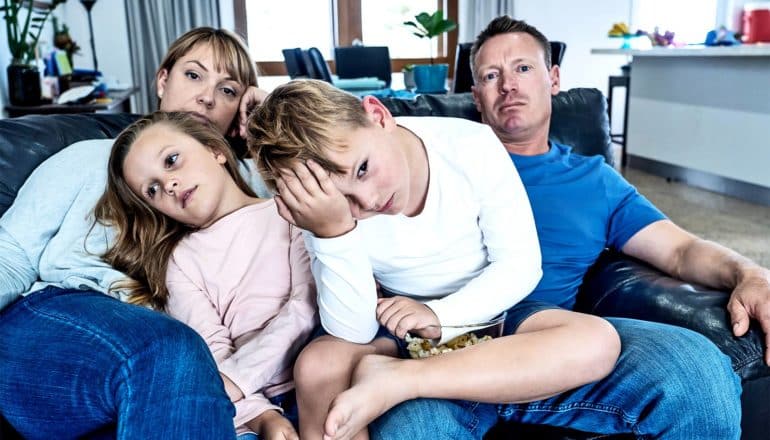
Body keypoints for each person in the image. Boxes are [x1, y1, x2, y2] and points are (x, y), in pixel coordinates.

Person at [364, 16, 750, 440]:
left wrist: (747, 273)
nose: (508, 85)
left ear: (554, 79)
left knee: (696, 372)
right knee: (411, 430)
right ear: (475, 95)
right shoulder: (429, 163)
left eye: (523, 68)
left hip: (551, 346)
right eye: (491, 76)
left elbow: (680, 251)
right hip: (438, 354)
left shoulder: (593, 179)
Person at [248, 79, 623, 440]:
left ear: (378, 116)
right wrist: (333, 232)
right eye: (344, 203)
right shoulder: (323, 212)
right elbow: (355, 329)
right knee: (317, 366)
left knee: (597, 340)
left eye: (363, 169)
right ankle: (399, 370)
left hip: (490, 306)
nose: (368, 201)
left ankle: (402, 378)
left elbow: (520, 265)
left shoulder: (469, 144)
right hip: (395, 319)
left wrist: (441, 317)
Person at [0, 28, 268, 438]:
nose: (208, 98)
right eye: (193, 76)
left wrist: (272, 120)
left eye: (228, 90)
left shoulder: (255, 181)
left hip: (176, 368)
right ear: (163, 80)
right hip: (60, 316)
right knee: (168, 349)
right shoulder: (88, 157)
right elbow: (11, 255)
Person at [93, 111, 317, 439]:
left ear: (215, 150)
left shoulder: (289, 211)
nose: (168, 184)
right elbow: (210, 349)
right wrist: (261, 415)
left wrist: (238, 379)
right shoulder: (180, 261)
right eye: (152, 190)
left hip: (321, 378)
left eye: (172, 160)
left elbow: (306, 306)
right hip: (250, 407)